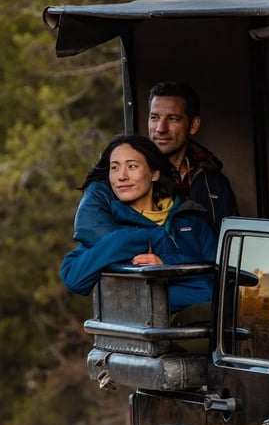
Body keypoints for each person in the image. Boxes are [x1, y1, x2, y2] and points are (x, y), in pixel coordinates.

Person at [60, 134, 216, 312]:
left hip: (208, 329)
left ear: (154, 173)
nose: (121, 176)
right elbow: (74, 278)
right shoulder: (111, 227)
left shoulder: (191, 219)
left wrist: (165, 263)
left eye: (132, 166)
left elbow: (215, 288)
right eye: (114, 168)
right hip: (148, 335)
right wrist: (135, 240)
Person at [147, 82, 238, 235]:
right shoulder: (133, 179)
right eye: (154, 117)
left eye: (173, 119)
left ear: (193, 125)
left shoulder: (215, 182)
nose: (160, 128)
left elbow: (231, 243)